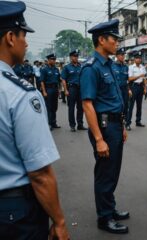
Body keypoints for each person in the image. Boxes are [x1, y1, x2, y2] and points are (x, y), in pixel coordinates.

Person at [0, 1, 69, 239]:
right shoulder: (20, 95)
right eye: (23, 35)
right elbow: (39, 174)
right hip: (13, 212)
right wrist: (59, 221)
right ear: (10, 37)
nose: (26, 42)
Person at [79, 19, 129, 234]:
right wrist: (99, 139)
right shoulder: (91, 67)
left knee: (113, 170)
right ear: (102, 40)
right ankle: (104, 217)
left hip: (115, 124)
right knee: (105, 172)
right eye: (114, 39)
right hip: (104, 126)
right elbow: (87, 104)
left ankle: (110, 207)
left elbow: (115, 98)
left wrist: (123, 125)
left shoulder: (109, 64)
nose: (117, 43)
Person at [61, 49, 86, 132]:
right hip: (71, 88)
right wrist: (65, 90)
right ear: (71, 57)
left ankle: (80, 124)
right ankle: (72, 125)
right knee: (71, 108)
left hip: (80, 89)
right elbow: (63, 79)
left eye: (77, 56)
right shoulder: (67, 67)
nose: (76, 58)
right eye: (74, 56)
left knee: (80, 108)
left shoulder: (81, 66)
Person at [126, 51, 146, 130]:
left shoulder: (142, 67)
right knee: (130, 106)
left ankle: (138, 121)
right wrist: (139, 76)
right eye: (137, 58)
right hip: (133, 87)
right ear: (134, 59)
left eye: (140, 58)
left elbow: (144, 78)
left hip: (140, 86)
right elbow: (129, 78)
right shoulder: (131, 67)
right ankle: (128, 123)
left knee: (139, 105)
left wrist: (145, 88)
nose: (139, 60)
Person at [40, 53, 61, 130]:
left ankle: (54, 122)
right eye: (52, 59)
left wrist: (59, 90)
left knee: (54, 107)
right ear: (48, 60)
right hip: (48, 89)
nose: (54, 61)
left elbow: (59, 80)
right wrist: (44, 92)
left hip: (55, 89)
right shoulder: (44, 69)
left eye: (54, 59)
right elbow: (42, 81)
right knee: (48, 107)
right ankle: (49, 124)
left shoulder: (56, 69)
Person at [112, 47, 129, 118]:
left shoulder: (125, 67)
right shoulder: (112, 66)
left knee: (125, 106)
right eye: (121, 55)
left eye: (124, 55)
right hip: (116, 90)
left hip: (124, 89)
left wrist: (129, 89)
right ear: (117, 56)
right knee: (117, 106)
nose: (123, 57)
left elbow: (127, 79)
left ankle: (123, 121)